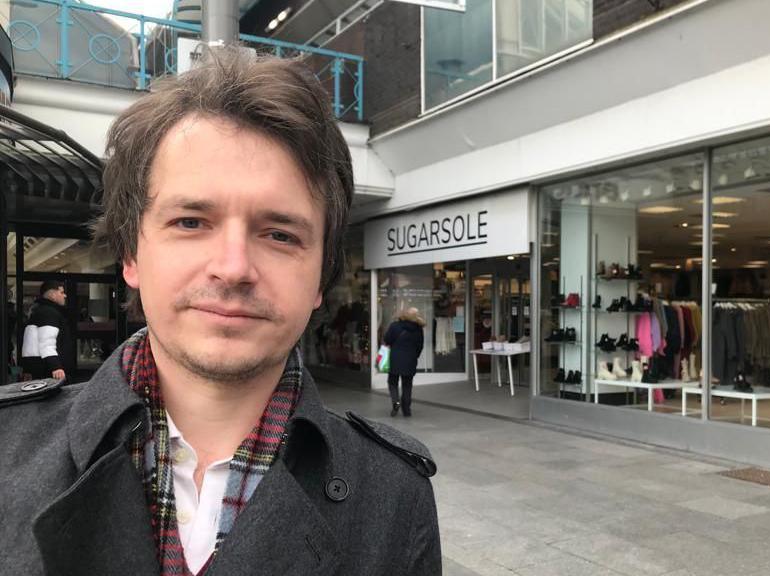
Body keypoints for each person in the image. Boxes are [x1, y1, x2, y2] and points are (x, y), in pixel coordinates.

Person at [0, 48, 440, 575]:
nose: (233, 269)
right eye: (190, 222)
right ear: (131, 256)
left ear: (321, 277)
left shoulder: (396, 494)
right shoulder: (8, 447)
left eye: (280, 234)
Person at [20, 280, 69, 382]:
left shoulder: (37, 311)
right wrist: (56, 367)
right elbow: (47, 342)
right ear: (52, 295)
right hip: (48, 370)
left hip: (37, 367)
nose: (65, 295)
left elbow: (29, 344)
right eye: (61, 292)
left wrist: (28, 368)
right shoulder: (49, 313)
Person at [383, 307, 425, 417]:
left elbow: (387, 340)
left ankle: (396, 402)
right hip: (410, 359)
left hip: (395, 358)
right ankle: (406, 409)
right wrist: (414, 356)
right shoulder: (418, 328)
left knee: (393, 382)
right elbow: (420, 345)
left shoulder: (394, 326)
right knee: (407, 385)